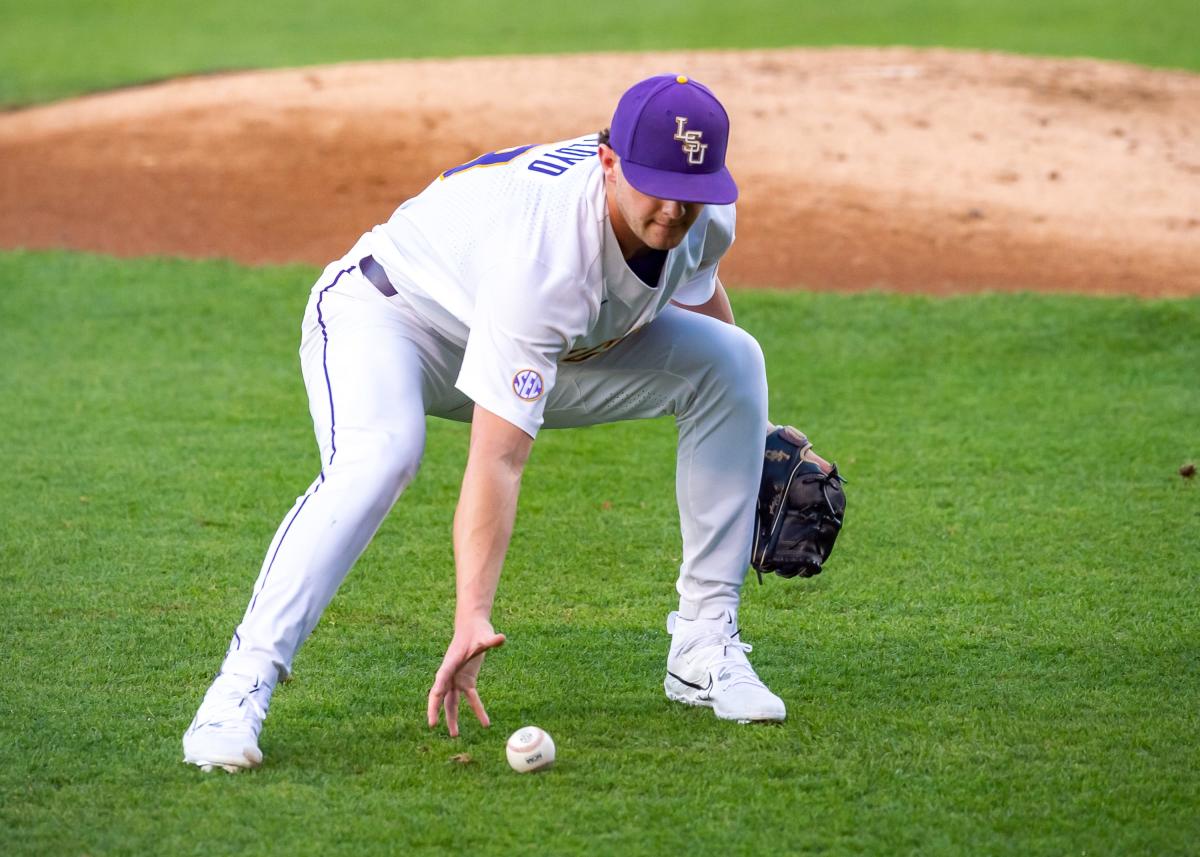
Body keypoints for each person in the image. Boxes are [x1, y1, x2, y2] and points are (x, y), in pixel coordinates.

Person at [183, 74, 818, 773]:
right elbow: (499, 458)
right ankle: (239, 687)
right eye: (653, 185)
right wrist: (471, 615)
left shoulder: (704, 210)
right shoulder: (546, 256)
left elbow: (694, 288)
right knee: (382, 455)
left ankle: (703, 649)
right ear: (608, 161)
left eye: (690, 191)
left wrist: (751, 446)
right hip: (392, 318)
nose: (672, 208)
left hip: (540, 338)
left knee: (732, 361)